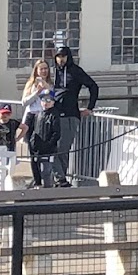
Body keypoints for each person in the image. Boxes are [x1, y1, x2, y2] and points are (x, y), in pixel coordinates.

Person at [52, 45, 98, 185]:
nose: (61, 59)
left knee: (62, 149)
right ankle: (60, 179)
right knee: (50, 148)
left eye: (63, 56)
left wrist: (90, 108)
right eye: (58, 56)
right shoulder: (54, 72)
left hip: (70, 115)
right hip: (54, 115)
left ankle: (61, 178)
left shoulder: (75, 71)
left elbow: (93, 86)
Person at [27, 89, 64, 188]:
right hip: (38, 148)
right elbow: (35, 131)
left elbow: (56, 133)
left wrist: (49, 145)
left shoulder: (54, 115)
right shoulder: (38, 115)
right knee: (36, 169)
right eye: (43, 100)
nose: (46, 103)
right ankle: (38, 186)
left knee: (46, 171)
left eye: (49, 100)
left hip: (48, 149)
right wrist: (33, 144)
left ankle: (48, 190)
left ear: (53, 102)